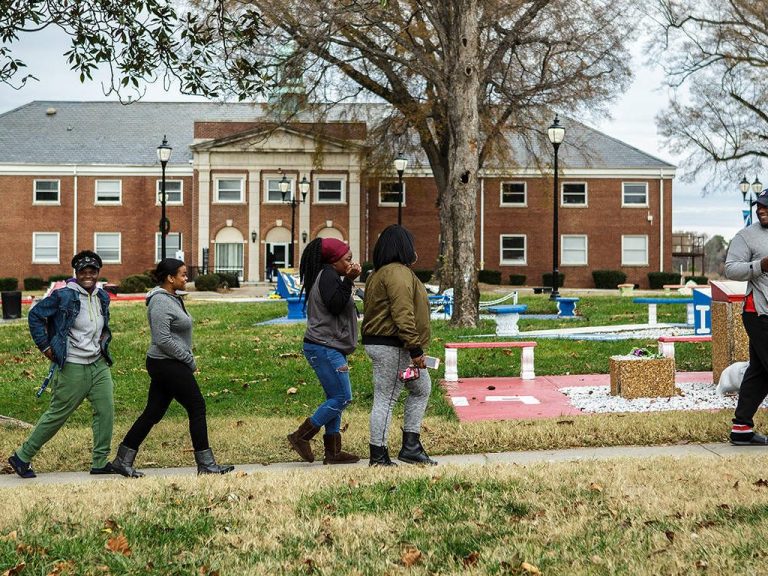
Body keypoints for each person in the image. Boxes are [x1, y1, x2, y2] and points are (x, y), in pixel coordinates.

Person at [110, 258, 234, 476]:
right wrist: (188, 359)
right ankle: (206, 464)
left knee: (153, 412)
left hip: (168, 362)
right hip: (165, 363)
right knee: (197, 406)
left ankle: (122, 459)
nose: (186, 278)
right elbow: (162, 339)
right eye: (183, 275)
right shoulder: (160, 301)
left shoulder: (171, 298)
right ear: (170, 278)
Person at [9, 250, 116, 478]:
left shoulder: (101, 297)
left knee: (106, 411)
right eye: (83, 272)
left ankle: (99, 462)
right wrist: (47, 348)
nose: (88, 275)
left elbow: (101, 325)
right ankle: (22, 457)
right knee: (58, 414)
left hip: (98, 364)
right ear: (76, 273)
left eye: (92, 271)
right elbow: (35, 315)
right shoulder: (65, 296)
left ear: (98, 273)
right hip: (73, 366)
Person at [361, 224, 436, 466]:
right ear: (403, 247)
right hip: (393, 346)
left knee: (421, 388)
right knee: (387, 397)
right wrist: (415, 349)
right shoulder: (397, 273)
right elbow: (403, 313)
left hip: (393, 344)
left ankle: (411, 446)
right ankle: (378, 455)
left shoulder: (379, 273)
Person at [287, 238, 362, 464]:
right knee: (342, 397)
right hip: (324, 347)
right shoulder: (329, 276)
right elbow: (336, 304)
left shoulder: (330, 276)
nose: (351, 263)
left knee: (335, 397)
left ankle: (333, 452)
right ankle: (301, 436)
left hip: (326, 346)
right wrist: (349, 281)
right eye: (347, 259)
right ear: (333, 261)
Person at [724, 188, 768, 445]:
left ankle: (741, 428)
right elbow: (730, 269)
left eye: (766, 206)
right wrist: (760, 266)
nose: (760, 209)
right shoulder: (747, 236)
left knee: (760, 372)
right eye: (758, 206)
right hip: (759, 313)